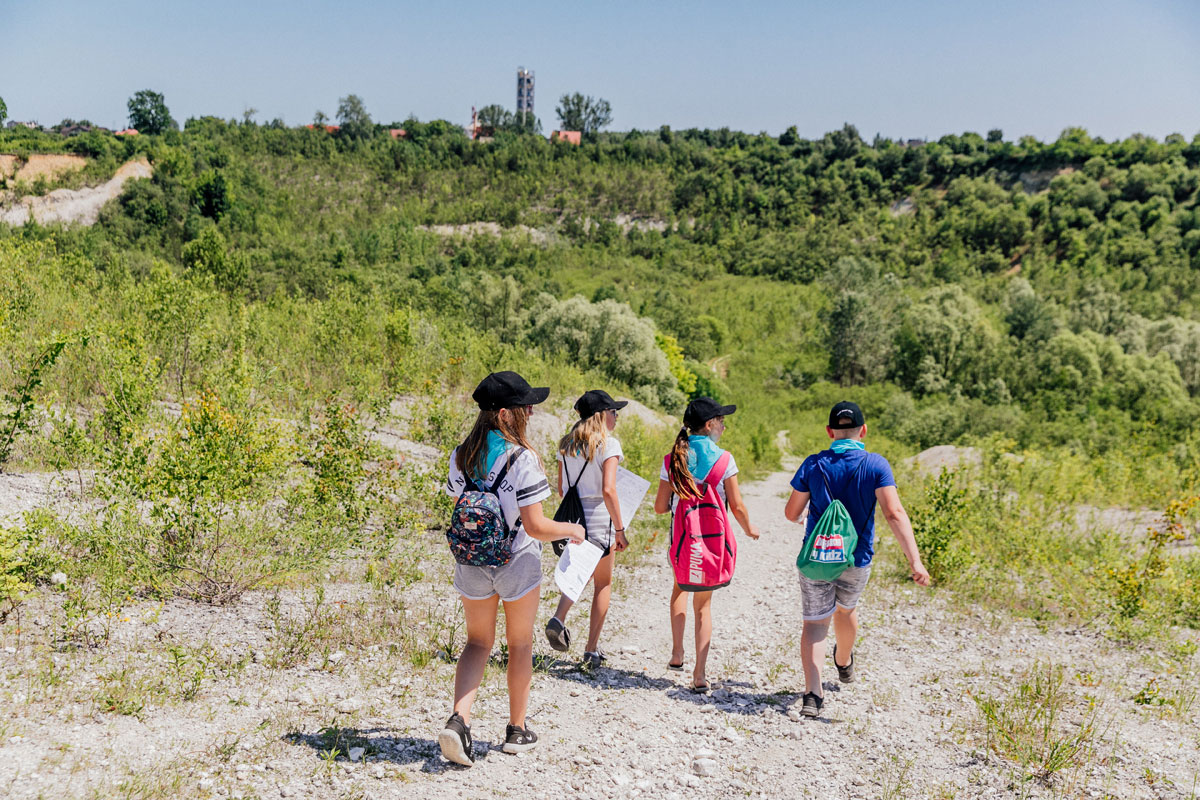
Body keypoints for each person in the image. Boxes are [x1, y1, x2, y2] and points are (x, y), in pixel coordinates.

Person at [439, 371, 586, 767]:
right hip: (516, 560)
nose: (531, 411)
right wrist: (572, 529)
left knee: (477, 643)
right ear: (505, 414)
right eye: (525, 406)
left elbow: (458, 511)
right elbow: (536, 527)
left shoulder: (460, 455)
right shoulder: (524, 458)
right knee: (519, 644)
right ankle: (517, 730)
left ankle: (459, 721)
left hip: (471, 560)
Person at [783, 401, 931, 718]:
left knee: (814, 622)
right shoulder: (876, 465)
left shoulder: (813, 463)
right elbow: (893, 513)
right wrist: (915, 561)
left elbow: (791, 513)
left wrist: (809, 513)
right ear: (864, 431)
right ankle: (843, 660)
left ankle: (812, 694)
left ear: (829, 432)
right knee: (846, 610)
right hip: (856, 558)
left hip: (818, 557)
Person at [653, 397, 760, 693]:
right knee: (704, 605)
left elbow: (661, 507)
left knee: (679, 589)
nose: (724, 427)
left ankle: (677, 654)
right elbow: (736, 506)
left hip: (682, 542)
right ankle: (699, 674)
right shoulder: (725, 459)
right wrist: (750, 528)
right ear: (710, 424)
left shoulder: (673, 458)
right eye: (722, 421)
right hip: (712, 544)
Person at [544, 390, 629, 670]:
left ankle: (559, 618)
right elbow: (609, 490)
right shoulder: (609, 444)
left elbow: (561, 489)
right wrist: (620, 528)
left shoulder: (566, 445)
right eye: (614, 412)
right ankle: (591, 650)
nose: (616, 417)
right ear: (602, 415)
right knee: (602, 583)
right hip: (600, 518)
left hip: (574, 519)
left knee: (579, 573)